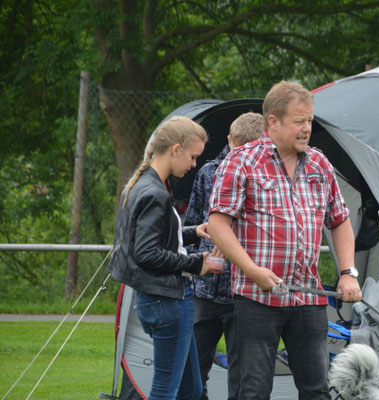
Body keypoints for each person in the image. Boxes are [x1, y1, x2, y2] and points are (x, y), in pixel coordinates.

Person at [207, 80, 362, 400]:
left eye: (309, 120)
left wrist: (347, 272)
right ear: (272, 122)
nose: (306, 128)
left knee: (316, 389)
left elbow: (340, 220)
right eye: (298, 121)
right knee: (254, 390)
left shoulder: (319, 163)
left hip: (308, 299)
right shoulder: (241, 162)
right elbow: (219, 224)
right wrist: (252, 270)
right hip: (256, 299)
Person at [107, 116, 224, 400]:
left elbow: (154, 238)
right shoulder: (155, 193)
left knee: (191, 389)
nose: (195, 164)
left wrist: (193, 232)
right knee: (165, 392)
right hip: (167, 302)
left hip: (160, 299)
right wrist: (198, 264)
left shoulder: (141, 185)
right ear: (175, 149)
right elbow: (147, 253)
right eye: (193, 156)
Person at [183, 112, 265, 400]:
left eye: (249, 149)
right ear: (229, 141)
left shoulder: (266, 177)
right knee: (192, 368)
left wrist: (230, 243)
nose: (241, 155)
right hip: (205, 291)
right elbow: (193, 219)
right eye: (237, 148)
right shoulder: (208, 172)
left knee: (243, 375)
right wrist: (197, 263)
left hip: (242, 294)